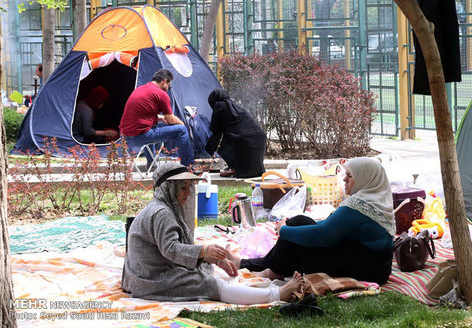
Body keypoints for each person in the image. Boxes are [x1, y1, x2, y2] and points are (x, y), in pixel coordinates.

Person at [122, 162, 302, 303]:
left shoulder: (164, 208)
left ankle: (263, 282)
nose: (187, 193)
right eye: (182, 188)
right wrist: (204, 251)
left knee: (205, 269)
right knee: (209, 284)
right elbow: (171, 249)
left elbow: (176, 249)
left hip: (150, 272)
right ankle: (277, 294)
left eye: (188, 187)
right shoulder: (162, 213)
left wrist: (213, 258)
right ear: (169, 190)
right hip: (151, 279)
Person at [230, 157, 395, 284]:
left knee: (296, 227)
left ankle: (268, 269)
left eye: (350, 176)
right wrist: (291, 229)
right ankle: (264, 267)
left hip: (365, 269)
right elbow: (327, 225)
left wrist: (284, 230)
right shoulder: (375, 200)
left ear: (365, 179)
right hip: (375, 268)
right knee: (300, 223)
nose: (344, 180)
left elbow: (322, 235)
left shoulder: (360, 206)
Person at [120, 69, 194, 167]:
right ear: (164, 82)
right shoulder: (161, 94)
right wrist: (182, 123)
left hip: (125, 137)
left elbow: (140, 114)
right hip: (140, 137)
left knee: (151, 127)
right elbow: (170, 119)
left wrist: (159, 118)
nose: (168, 88)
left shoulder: (140, 88)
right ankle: (188, 166)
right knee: (182, 130)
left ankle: (152, 162)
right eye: (169, 85)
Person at [206, 89, 266, 178]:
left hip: (244, 140)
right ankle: (242, 168)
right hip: (260, 139)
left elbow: (215, 130)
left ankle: (233, 167)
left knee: (216, 143)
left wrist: (208, 149)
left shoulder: (219, 105)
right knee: (227, 139)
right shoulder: (236, 106)